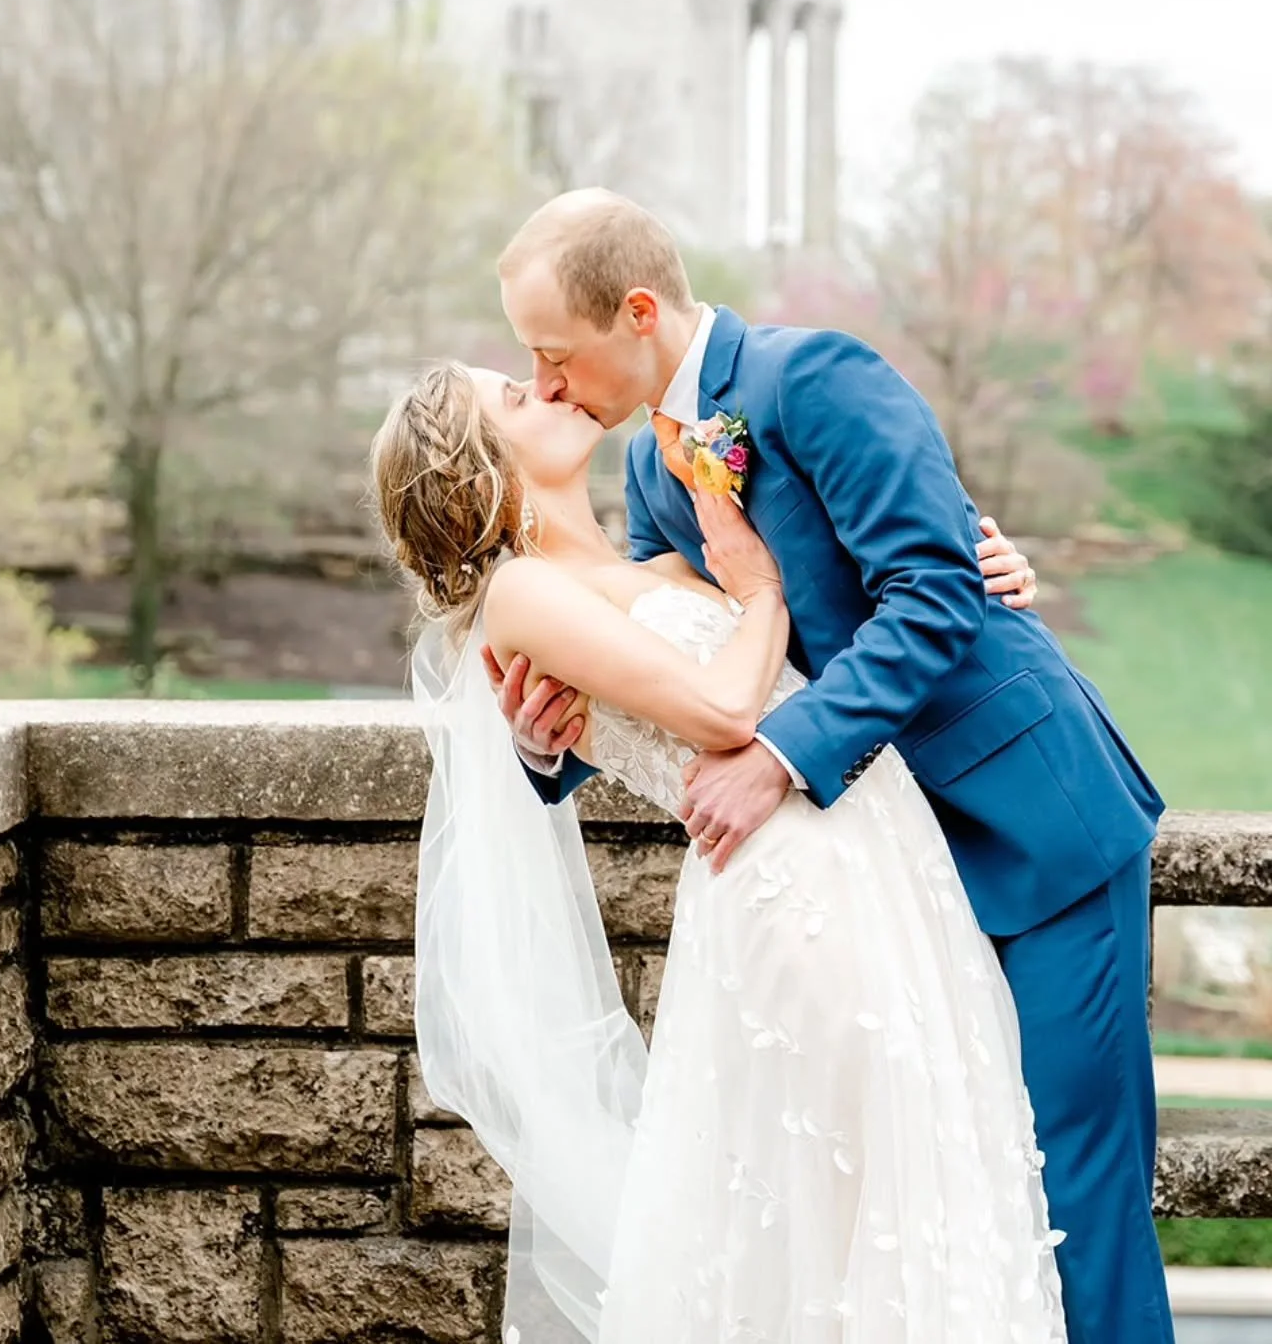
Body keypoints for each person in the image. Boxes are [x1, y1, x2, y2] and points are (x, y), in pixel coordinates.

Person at [485, 189, 1171, 1344]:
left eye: (554, 354)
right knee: (960, 1191)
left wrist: (783, 762)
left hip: (1030, 823)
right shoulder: (657, 477)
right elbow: (684, 674)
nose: (546, 383)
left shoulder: (817, 378)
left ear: (639, 310)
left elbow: (940, 590)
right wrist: (549, 742)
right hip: (885, 887)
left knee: (1071, 1188)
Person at [375, 359, 1068, 1343]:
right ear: (481, 466)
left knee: (917, 1189)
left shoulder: (653, 571)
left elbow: (842, 628)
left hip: (883, 868)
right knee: (844, 1191)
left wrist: (987, 564)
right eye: (516, 398)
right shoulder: (524, 591)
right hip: (790, 892)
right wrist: (757, 589)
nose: (548, 388)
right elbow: (726, 708)